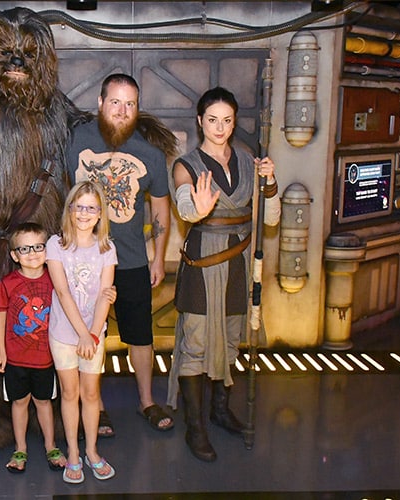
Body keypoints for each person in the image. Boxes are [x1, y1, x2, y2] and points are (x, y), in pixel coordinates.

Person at [166, 86, 280, 462]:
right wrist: (194, 207)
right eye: (212, 120)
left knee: (232, 337)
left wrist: (271, 185)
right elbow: (184, 205)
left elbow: (272, 218)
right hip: (203, 261)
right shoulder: (186, 165)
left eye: (227, 120)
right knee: (195, 344)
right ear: (200, 121)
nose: (220, 127)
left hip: (239, 262)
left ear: (234, 122)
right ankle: (195, 427)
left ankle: (219, 410)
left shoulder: (249, 162)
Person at [66, 73, 174, 436]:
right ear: (100, 103)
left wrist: (158, 257)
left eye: (130, 104)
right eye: (115, 102)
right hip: (82, 261)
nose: (122, 111)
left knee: (140, 334)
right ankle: (96, 405)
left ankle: (146, 400)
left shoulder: (151, 154)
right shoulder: (74, 140)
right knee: (89, 334)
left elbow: (160, 209)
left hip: (129, 261)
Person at [46, 181, 118, 484]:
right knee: (70, 392)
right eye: (79, 206)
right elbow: (62, 293)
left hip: (94, 332)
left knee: (91, 393)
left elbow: (105, 292)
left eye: (91, 207)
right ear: (70, 210)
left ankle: (91, 451)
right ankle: (73, 452)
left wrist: (93, 333)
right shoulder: (56, 244)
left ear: (100, 213)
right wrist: (82, 335)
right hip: (65, 334)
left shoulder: (107, 248)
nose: (85, 213)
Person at [0, 222, 67, 474]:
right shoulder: (8, 283)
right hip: (16, 359)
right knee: (19, 403)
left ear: (48, 249)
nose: (32, 253)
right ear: (14, 255)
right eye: (24, 249)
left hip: (46, 359)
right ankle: (20, 448)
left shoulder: (57, 281)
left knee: (44, 403)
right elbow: (0, 316)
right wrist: (1, 351)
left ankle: (51, 446)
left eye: (38, 246)